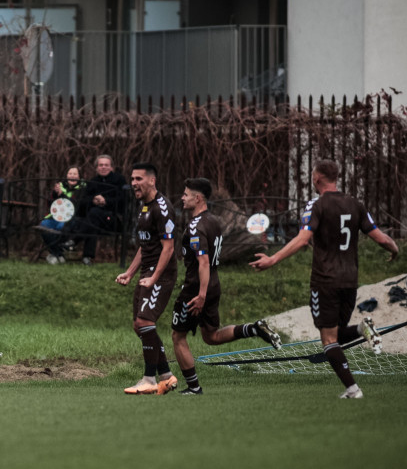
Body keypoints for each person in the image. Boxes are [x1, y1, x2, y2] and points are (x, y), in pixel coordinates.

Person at [250, 159, 399, 399]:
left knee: (328, 339)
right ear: (336, 178)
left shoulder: (316, 205)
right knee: (335, 334)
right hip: (350, 281)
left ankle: (353, 389)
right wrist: (394, 249)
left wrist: (273, 260)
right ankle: (362, 329)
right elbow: (381, 238)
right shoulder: (355, 204)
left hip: (325, 281)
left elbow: (301, 239)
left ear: (317, 178)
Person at [170, 178, 282, 395]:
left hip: (196, 289)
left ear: (198, 198)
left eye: (186, 194)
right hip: (214, 284)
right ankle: (254, 328)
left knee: (178, 336)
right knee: (210, 336)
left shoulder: (196, 226)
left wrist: (200, 295)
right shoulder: (214, 221)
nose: (182, 198)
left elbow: (202, 261)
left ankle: (193, 387)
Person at [115, 162, 178, 395]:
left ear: (152, 180)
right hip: (147, 271)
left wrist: (154, 278)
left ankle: (149, 379)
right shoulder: (144, 207)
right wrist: (130, 272)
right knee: (139, 326)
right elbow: (146, 245)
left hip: (160, 273)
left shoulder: (162, 208)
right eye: (132, 179)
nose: (133, 183)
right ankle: (167, 376)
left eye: (138, 179)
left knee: (144, 323)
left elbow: (168, 248)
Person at [68, 154, 127, 265]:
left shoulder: (119, 180)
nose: (103, 167)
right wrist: (93, 200)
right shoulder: (92, 182)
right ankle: (87, 258)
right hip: (95, 221)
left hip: (113, 220)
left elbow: (124, 201)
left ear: (111, 167)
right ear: (96, 168)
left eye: (106, 165)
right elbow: (83, 203)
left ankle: (74, 240)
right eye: (100, 165)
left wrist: (106, 201)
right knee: (93, 220)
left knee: (93, 215)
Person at [39, 166, 86, 264]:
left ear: (79, 177)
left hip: (71, 219)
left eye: (75, 174)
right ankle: (58, 254)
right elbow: (51, 204)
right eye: (70, 174)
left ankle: (56, 254)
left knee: (60, 227)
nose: (72, 176)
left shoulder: (82, 189)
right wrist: (55, 194)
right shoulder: (59, 187)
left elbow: (75, 206)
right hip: (55, 216)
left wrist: (62, 195)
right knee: (43, 226)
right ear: (66, 176)